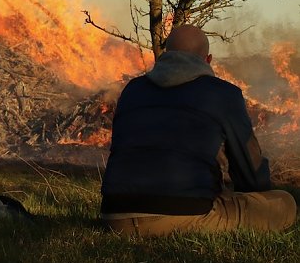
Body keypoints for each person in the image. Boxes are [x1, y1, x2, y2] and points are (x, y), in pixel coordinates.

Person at [101, 24, 297, 236]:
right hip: (182, 215)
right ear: (208, 60)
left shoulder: (132, 90)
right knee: (285, 203)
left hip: (114, 218)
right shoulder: (222, 94)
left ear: (165, 55)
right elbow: (251, 175)